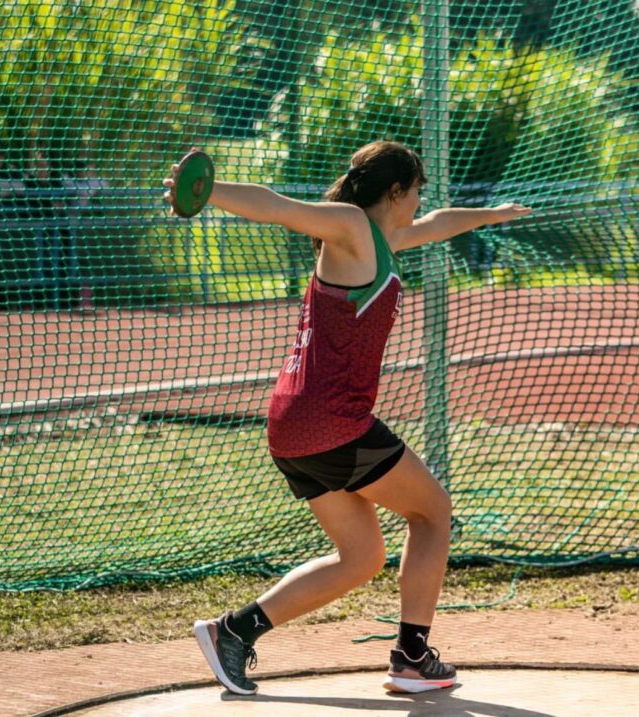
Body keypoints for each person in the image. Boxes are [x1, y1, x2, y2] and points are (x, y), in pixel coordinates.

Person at [163, 140, 531, 696]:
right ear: (395, 191)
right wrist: (208, 191)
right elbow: (277, 206)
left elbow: (439, 223)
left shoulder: (382, 238)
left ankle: (233, 633)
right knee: (432, 512)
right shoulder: (351, 227)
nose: (419, 204)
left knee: (362, 557)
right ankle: (411, 656)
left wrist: (494, 214)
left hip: (294, 425)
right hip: (333, 421)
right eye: (416, 192)